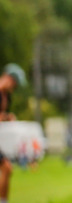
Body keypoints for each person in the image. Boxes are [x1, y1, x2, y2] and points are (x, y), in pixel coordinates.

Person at [1, 63, 28, 203]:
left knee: (7, 168)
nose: (14, 88)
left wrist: (7, 117)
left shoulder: (7, 97)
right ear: (9, 78)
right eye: (15, 84)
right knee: (6, 167)